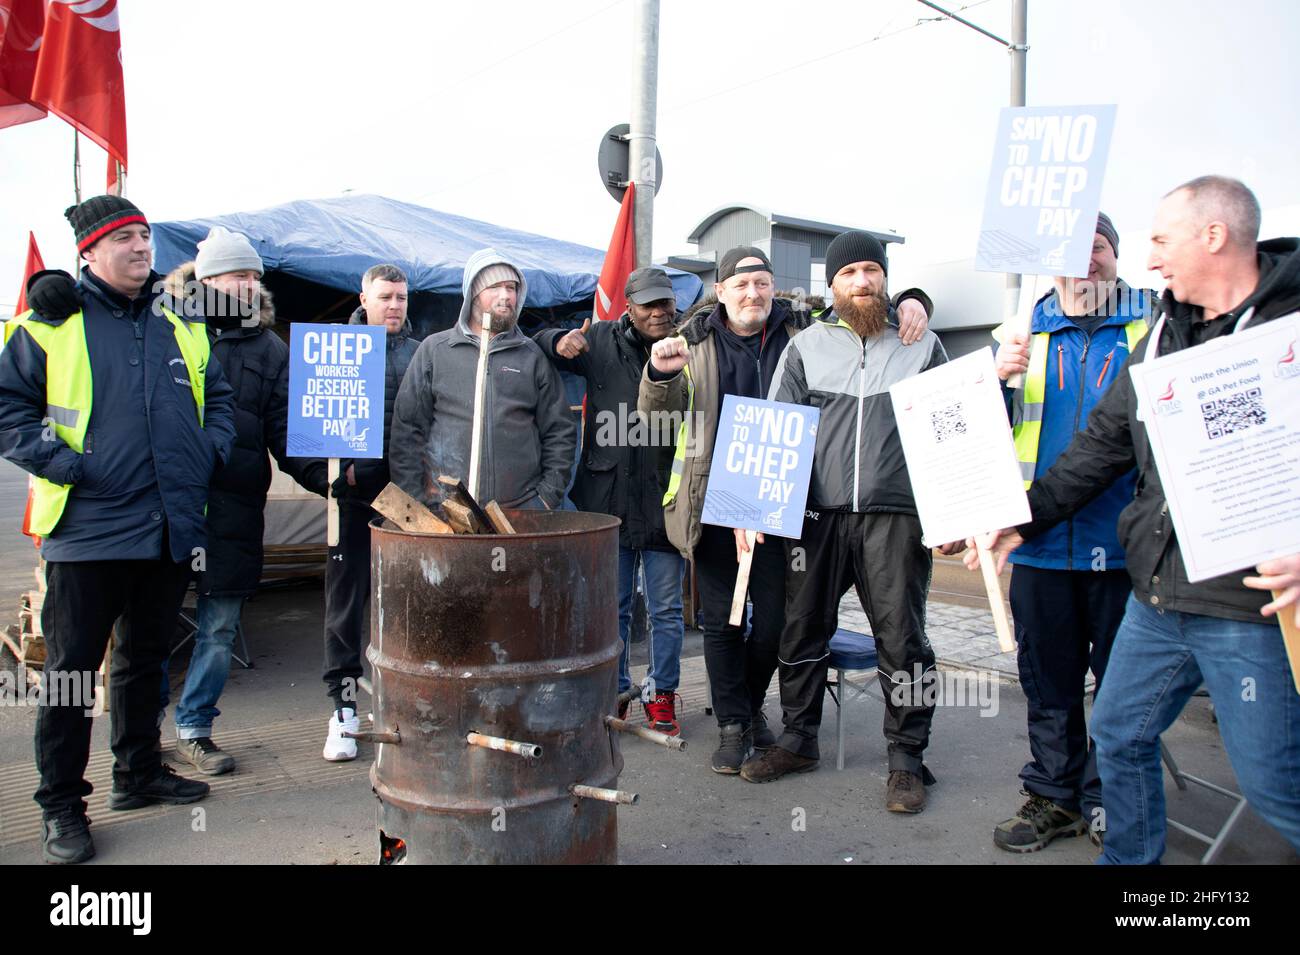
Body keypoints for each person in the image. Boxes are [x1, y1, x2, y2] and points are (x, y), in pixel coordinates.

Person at [969, 176, 1300, 862]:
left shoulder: (1284, 330)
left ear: (1213, 236)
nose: (1151, 260)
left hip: (1249, 604)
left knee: (1277, 784)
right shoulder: (1160, 339)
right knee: (1118, 736)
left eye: (1159, 240)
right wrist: (1019, 521)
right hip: (1158, 594)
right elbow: (1095, 451)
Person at [0, 196, 236, 863]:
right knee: (72, 674)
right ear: (89, 253)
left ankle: (137, 774)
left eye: (144, 235)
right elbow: (7, 409)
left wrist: (209, 446)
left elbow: (215, 396)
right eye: (124, 238)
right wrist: (64, 463)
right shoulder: (49, 322)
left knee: (146, 660)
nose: (141, 247)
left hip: (168, 525)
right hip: (87, 529)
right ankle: (61, 805)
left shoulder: (183, 321)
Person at [639, 244, 932, 774]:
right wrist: (660, 378)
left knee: (784, 626)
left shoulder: (803, 330)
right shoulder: (694, 342)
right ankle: (738, 726)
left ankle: (764, 715)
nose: (753, 293)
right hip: (719, 503)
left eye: (763, 283)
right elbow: (657, 420)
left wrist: (914, 300)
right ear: (721, 291)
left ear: (776, 288)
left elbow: (863, 313)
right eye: (740, 284)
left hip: (797, 510)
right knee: (727, 624)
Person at [736, 231, 950, 813]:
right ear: (831, 285)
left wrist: (958, 510)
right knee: (802, 627)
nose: (862, 281)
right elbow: (776, 428)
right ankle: (799, 740)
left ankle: (907, 759)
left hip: (896, 518)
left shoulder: (922, 344)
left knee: (904, 639)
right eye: (850, 271)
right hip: (817, 515)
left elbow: (952, 430)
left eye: (871, 271)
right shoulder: (804, 347)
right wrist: (753, 508)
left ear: (886, 278)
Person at [988, 213, 1152, 852]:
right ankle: (1054, 796)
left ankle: (1111, 798)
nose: (1087, 262)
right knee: (1049, 684)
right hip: (1042, 546)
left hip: (1129, 549)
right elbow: (979, 437)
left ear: (1118, 255)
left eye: (1100, 247)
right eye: (1072, 250)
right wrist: (996, 382)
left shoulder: (1152, 326)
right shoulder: (1017, 333)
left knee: (1123, 693)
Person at [160, 228, 327, 775]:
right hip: (166, 507)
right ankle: (139, 743)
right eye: (240, 275)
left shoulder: (268, 346)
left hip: (235, 508)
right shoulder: (165, 326)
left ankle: (195, 729)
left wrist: (330, 478)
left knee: (218, 625)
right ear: (207, 280)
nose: (252, 285)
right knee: (150, 625)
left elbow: (285, 431)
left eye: (256, 276)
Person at [535, 267, 686, 734]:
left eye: (666, 303)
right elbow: (532, 342)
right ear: (629, 308)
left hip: (666, 499)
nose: (660, 312)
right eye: (649, 305)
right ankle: (616, 690)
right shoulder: (597, 340)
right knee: (613, 605)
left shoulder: (689, 347)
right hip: (608, 498)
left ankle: (661, 694)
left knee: (666, 609)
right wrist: (557, 338)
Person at [389, 248, 576, 511]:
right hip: (447, 512)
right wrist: (417, 503)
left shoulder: (531, 356)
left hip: (520, 512)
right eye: (494, 287)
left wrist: (545, 498)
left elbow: (560, 431)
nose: (505, 296)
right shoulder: (436, 350)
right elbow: (407, 430)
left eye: (511, 288)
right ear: (473, 295)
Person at [321, 264, 418, 760]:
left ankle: (400, 705)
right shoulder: (333, 347)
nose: (395, 305)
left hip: (409, 502)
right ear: (363, 296)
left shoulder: (423, 353)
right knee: (345, 608)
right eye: (386, 297)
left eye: (401, 297)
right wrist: (332, 475)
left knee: (403, 604)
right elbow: (306, 420)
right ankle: (343, 713)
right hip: (353, 501)